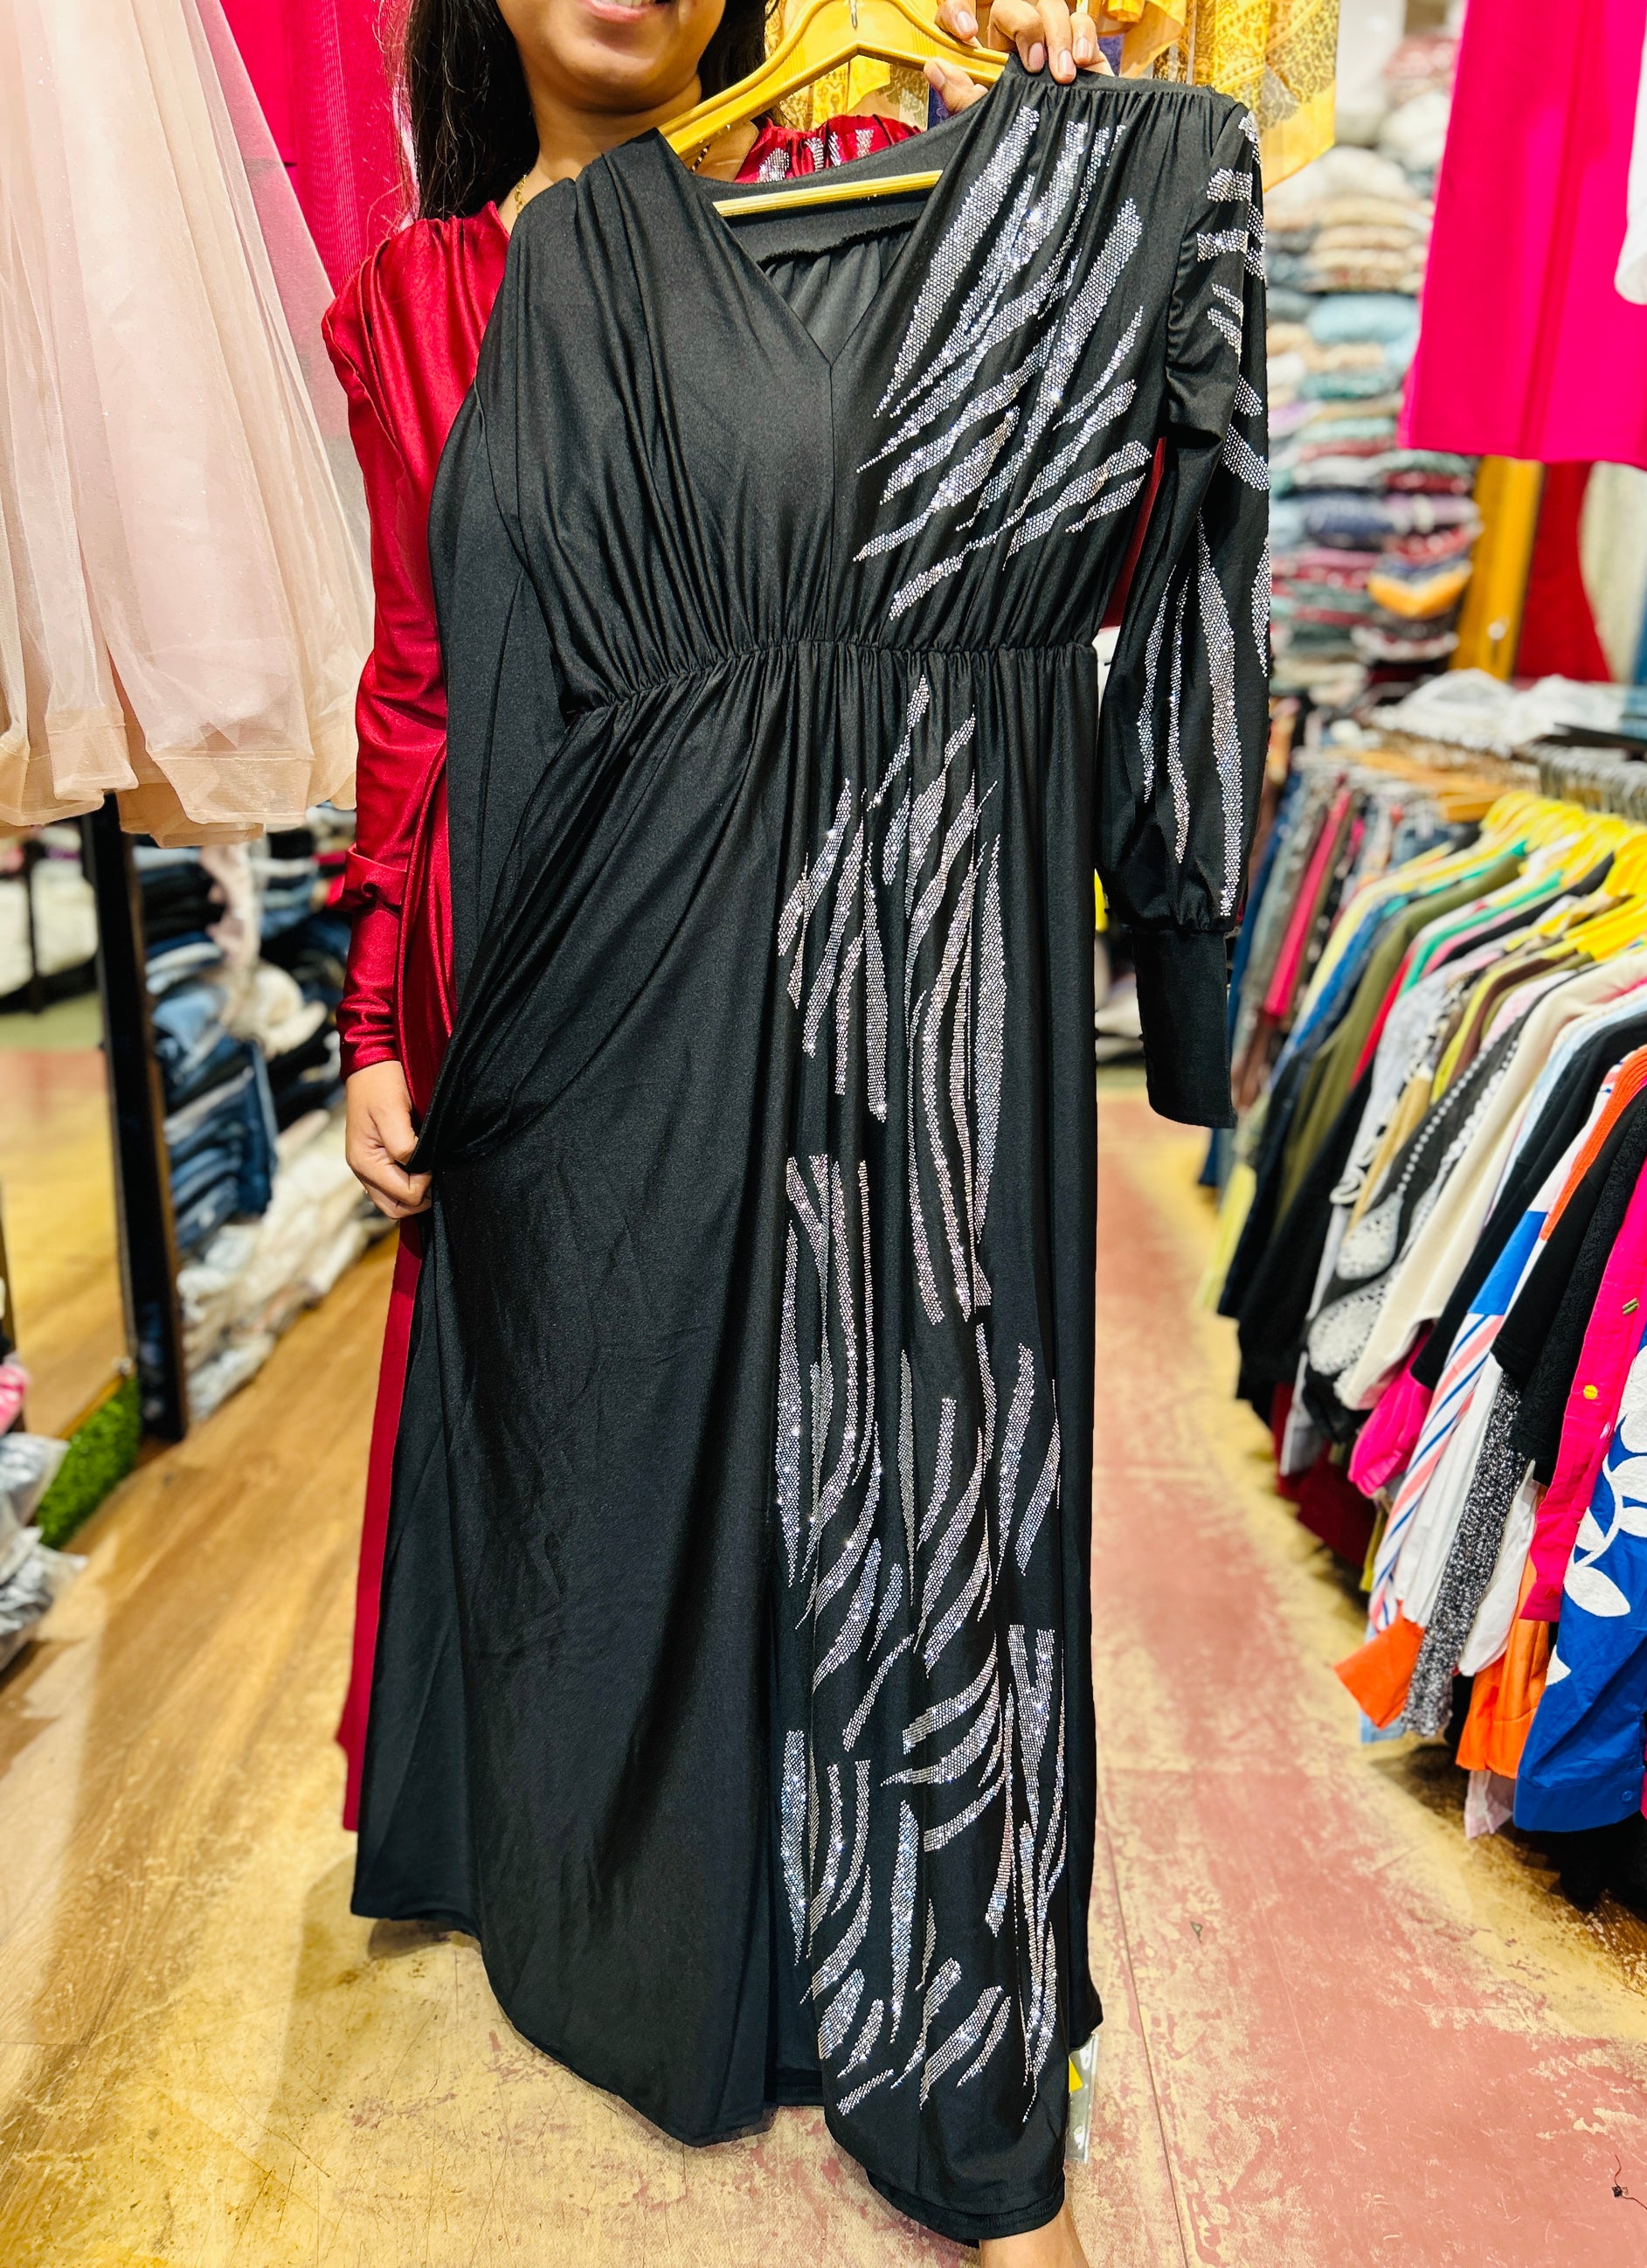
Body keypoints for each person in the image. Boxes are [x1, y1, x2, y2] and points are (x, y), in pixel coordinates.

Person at [332, 5, 1110, 2262]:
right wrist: (375, 1005)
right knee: (606, 1406)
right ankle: (603, 1871)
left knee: (854, 1413)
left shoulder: (844, 181)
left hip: (847, 899)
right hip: (539, 940)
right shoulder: (426, 292)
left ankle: (814, 1922)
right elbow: (416, 668)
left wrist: (1046, 154)